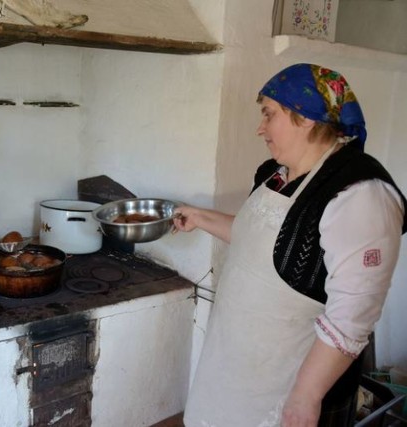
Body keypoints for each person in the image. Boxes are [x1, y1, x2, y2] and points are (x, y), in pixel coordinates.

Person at [173, 63, 407, 426]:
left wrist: (306, 396)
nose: (260, 128)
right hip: (233, 368)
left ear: (306, 116)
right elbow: (264, 243)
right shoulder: (276, 174)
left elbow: (353, 314)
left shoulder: (361, 194)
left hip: (286, 389)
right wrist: (200, 217)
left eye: (269, 114)